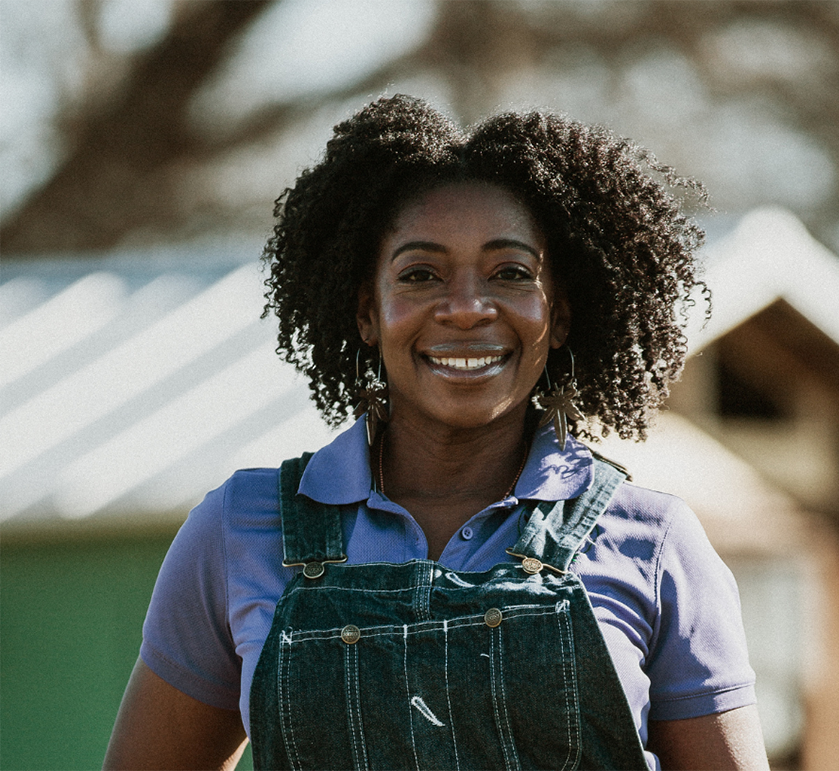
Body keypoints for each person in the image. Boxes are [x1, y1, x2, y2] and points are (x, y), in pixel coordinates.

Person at [103, 94, 770, 771]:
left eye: (510, 273)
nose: (465, 309)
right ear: (368, 312)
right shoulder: (238, 532)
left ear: (559, 315)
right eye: (421, 275)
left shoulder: (652, 544)